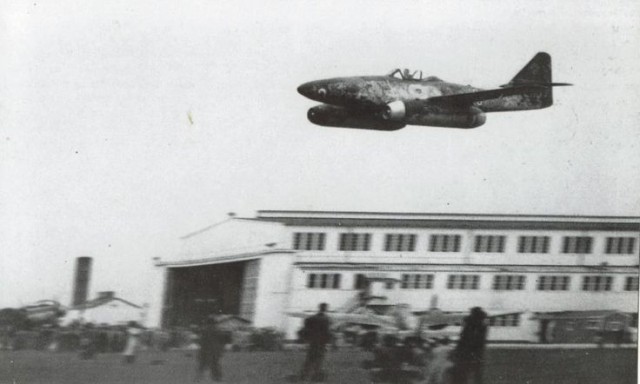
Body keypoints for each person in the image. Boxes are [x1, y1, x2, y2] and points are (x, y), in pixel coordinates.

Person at [451, 307, 488, 384]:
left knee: (461, 373)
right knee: (475, 374)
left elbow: (463, 338)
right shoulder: (482, 324)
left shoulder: (470, 323)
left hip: (465, 353)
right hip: (475, 353)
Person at [298, 303, 332, 382]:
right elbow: (327, 332)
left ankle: (303, 376)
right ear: (325, 309)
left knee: (309, 360)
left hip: (312, 342)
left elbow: (305, 326)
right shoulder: (326, 319)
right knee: (319, 361)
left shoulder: (311, 318)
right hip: (321, 343)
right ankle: (315, 377)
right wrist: (328, 341)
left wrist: (307, 338)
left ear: (319, 308)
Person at [195, 315, 229, 382]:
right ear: (214, 323)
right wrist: (221, 350)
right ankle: (218, 379)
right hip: (215, 351)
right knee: (215, 365)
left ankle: (198, 379)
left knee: (202, 365)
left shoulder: (204, 330)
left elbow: (201, 341)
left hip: (205, 351)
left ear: (208, 322)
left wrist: (200, 351)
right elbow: (223, 341)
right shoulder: (218, 330)